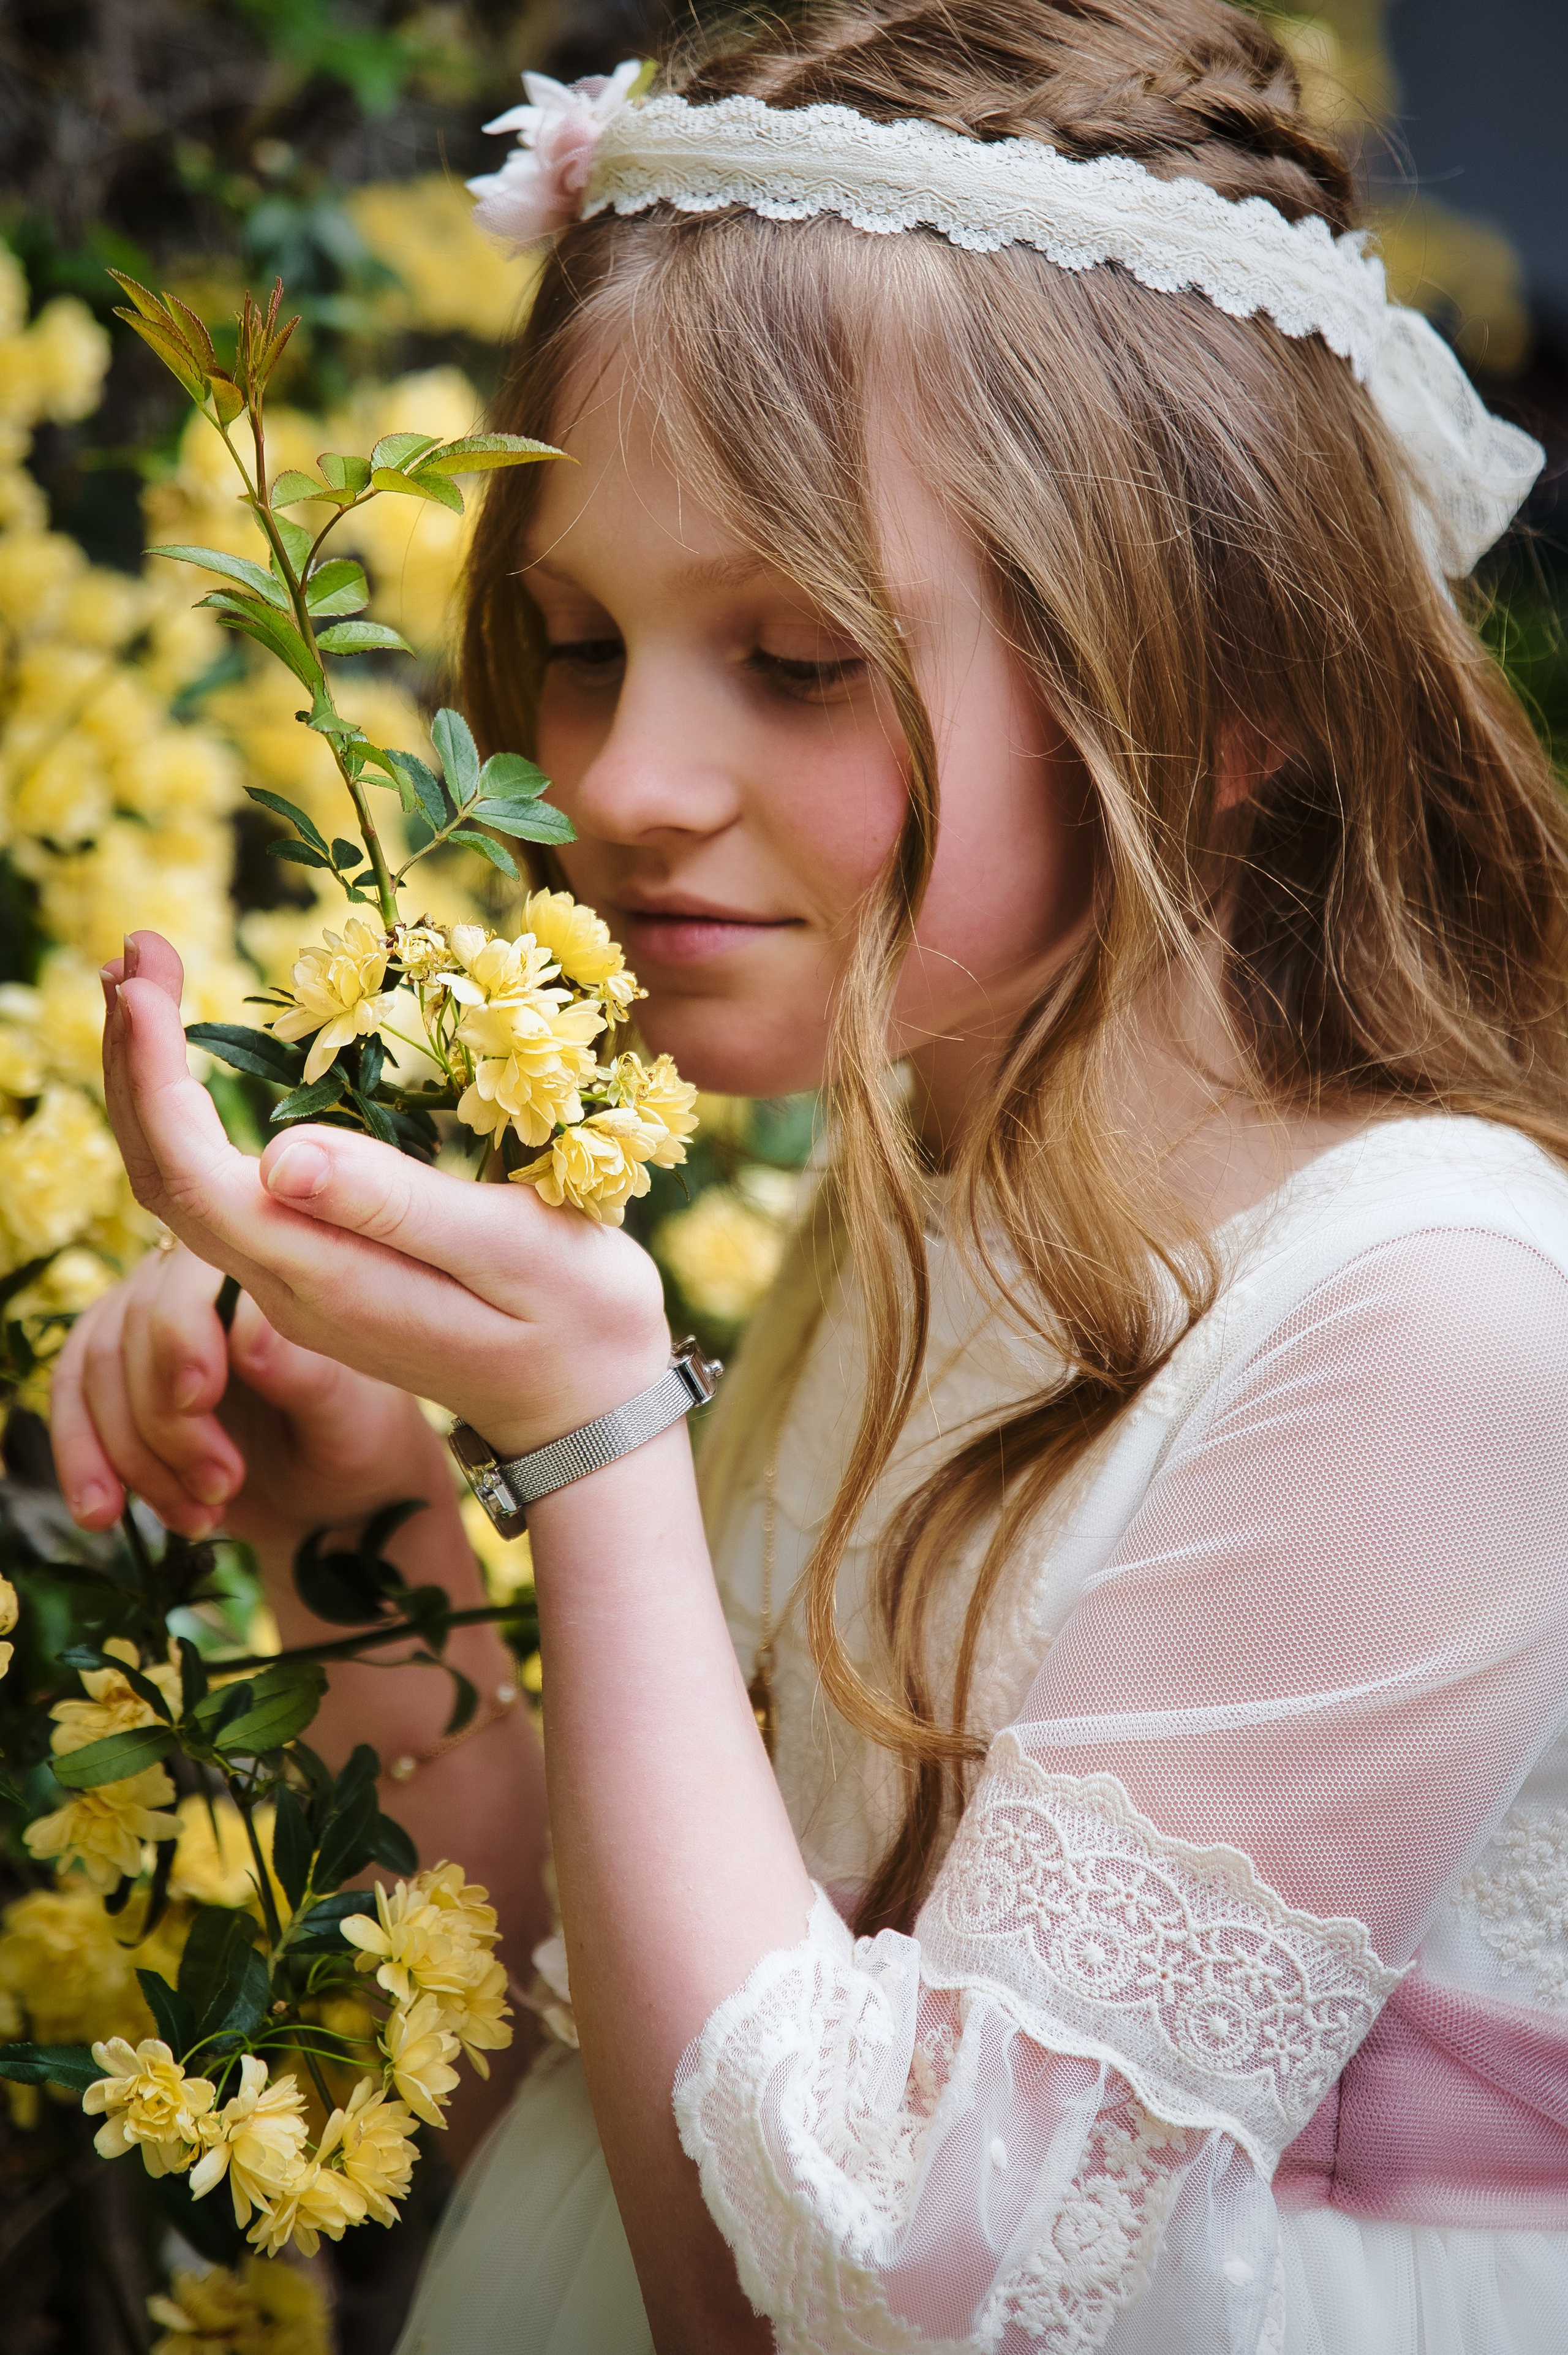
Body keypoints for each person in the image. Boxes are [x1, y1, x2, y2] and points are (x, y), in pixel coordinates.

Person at [48, 4, 1568, 2348]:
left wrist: (596, 1437)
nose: (620, 776)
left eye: (796, 655)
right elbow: (626, 2100)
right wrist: (347, 1499)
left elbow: (860, 2301)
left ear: (1225, 694)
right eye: (571, 643)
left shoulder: (1442, 1323)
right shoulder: (936, 1195)